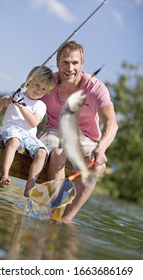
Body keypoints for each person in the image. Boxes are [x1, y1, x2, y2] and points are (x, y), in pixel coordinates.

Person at [40, 40, 118, 223]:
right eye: (65, 62)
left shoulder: (95, 88)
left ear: (82, 63)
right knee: (59, 152)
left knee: (97, 167)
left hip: (86, 138)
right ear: (58, 63)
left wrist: (102, 147)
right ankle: (55, 212)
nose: (70, 68)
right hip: (54, 132)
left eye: (75, 63)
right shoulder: (48, 81)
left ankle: (66, 219)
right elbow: (26, 100)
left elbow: (112, 122)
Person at [0, 66, 56, 196]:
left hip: (29, 135)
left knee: (42, 152)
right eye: (37, 85)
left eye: (44, 89)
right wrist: (5, 101)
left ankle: (29, 188)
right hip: (11, 130)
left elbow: (33, 122)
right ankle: (4, 175)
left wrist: (21, 106)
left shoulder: (41, 105)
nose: (39, 90)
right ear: (28, 81)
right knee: (14, 141)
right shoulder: (14, 94)